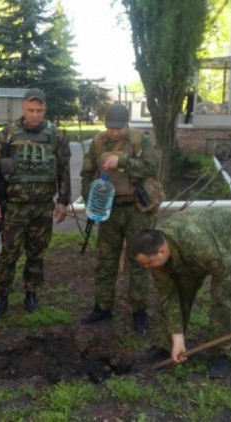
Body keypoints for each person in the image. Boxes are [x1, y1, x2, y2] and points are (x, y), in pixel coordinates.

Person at [126, 208, 231, 378]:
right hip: (195, 245)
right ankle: (168, 346)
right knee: (182, 290)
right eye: (143, 264)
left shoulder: (196, 242)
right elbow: (168, 296)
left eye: (149, 263)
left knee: (223, 297)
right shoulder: (157, 257)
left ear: (161, 251)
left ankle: (218, 353)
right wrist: (177, 337)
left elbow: (230, 275)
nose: (147, 267)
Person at [0, 88, 71, 316]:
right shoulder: (7, 135)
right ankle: (2, 295)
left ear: (45, 110)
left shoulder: (57, 135)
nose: (35, 114)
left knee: (37, 253)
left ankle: (31, 292)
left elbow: (63, 170)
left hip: (43, 207)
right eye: (31, 110)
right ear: (23, 108)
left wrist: (63, 200)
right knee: (9, 253)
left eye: (40, 110)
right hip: (14, 207)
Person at [79, 103, 160, 332]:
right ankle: (102, 307)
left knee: (139, 260)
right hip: (109, 210)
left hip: (135, 209)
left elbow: (152, 168)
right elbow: (87, 173)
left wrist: (121, 161)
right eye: (110, 127)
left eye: (118, 128)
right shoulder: (98, 142)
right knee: (106, 261)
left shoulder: (140, 140)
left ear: (126, 124)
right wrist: (90, 198)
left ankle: (139, 310)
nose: (114, 132)